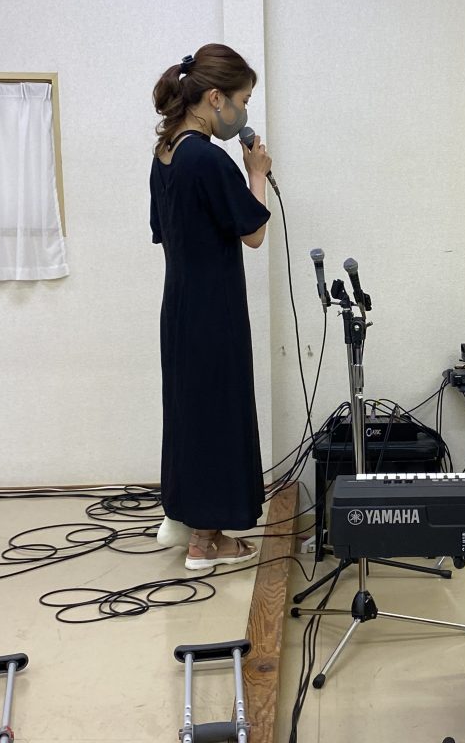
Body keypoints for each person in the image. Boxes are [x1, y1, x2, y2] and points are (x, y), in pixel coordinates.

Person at [148, 44, 272, 571]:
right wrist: (257, 172)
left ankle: (185, 522)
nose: (243, 111)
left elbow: (165, 231)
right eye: (242, 100)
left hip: (179, 306)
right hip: (214, 311)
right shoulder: (207, 158)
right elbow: (254, 233)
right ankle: (205, 542)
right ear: (216, 98)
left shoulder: (166, 154)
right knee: (218, 414)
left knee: (190, 413)